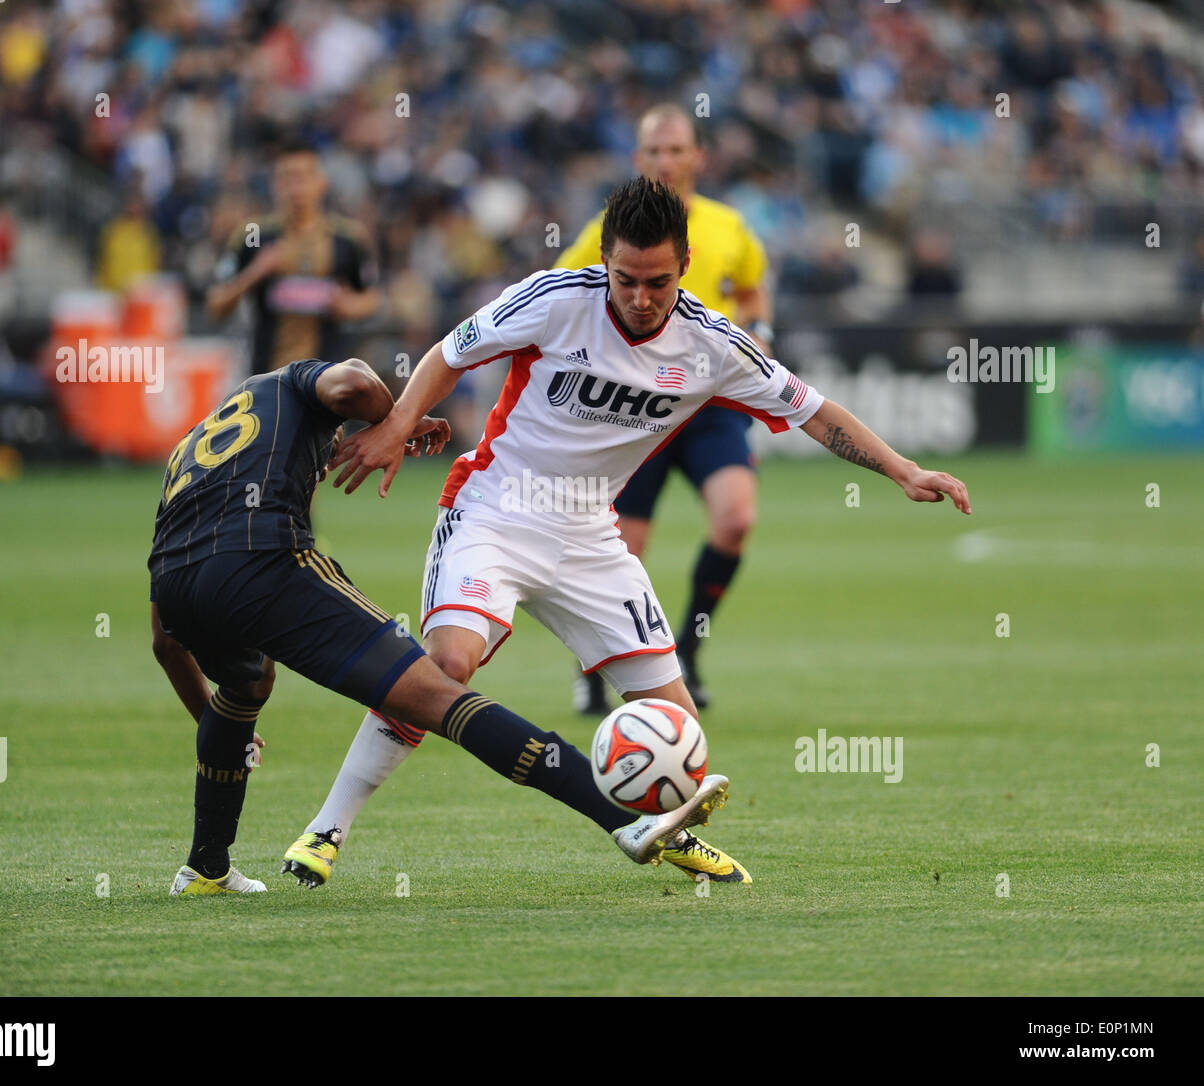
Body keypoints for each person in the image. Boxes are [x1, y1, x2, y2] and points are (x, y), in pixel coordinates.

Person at [302, 176, 971, 889]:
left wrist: (902, 469)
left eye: (658, 282)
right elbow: (449, 353)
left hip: (591, 537)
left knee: (680, 728)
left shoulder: (714, 346)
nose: (641, 297)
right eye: (626, 279)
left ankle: (669, 831)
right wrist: (397, 424)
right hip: (495, 511)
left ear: (685, 265)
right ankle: (326, 828)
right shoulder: (555, 299)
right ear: (605, 261)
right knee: (448, 667)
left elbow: (814, 409)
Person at [148, 354, 738, 895]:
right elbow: (353, 381)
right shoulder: (293, 381)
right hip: (266, 562)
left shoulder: (198, 450)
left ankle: (205, 868)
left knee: (246, 684)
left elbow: (165, 642)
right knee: (440, 695)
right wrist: (397, 419)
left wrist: (212, 723)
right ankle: (624, 820)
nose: (334, 453)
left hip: (175, 580)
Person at [557, 104, 774, 712]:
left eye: (676, 149)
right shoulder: (608, 229)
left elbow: (752, 287)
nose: (666, 161)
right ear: (638, 159)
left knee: (736, 519)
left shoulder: (728, 226)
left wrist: (759, 330)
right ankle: (595, 667)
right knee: (620, 551)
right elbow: (562, 289)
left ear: (698, 157)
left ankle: (688, 653)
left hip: (709, 404)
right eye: (654, 151)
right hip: (635, 408)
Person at [206, 140, 382, 375]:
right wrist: (255, 272)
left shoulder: (348, 239)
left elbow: (372, 298)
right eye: (287, 178)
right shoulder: (253, 235)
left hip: (329, 380)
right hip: (265, 378)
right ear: (275, 185)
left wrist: (348, 306)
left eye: (303, 177)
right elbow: (216, 304)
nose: (296, 188)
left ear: (322, 183)